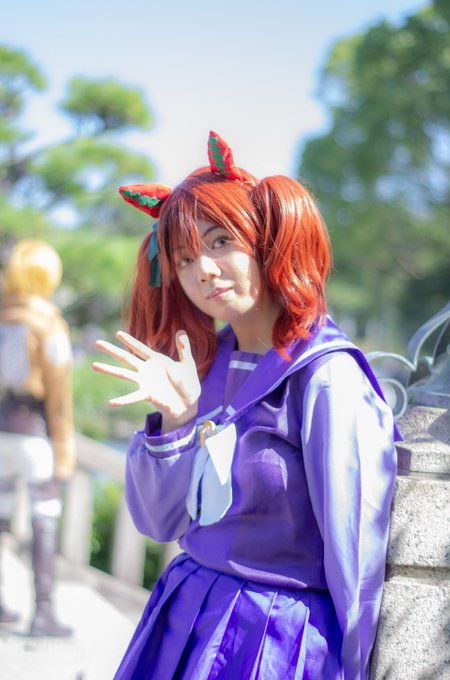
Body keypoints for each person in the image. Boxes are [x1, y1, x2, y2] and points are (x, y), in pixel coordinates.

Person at [93, 131, 399, 679]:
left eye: (220, 242)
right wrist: (178, 420)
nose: (203, 270)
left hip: (277, 636)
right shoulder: (202, 366)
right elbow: (159, 523)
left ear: (265, 240)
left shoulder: (326, 376)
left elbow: (357, 554)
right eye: (185, 258)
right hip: (186, 617)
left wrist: (356, 666)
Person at [0, 239, 75, 636]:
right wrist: (64, 449)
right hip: (33, 434)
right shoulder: (49, 323)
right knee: (44, 519)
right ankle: (42, 613)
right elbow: (59, 397)